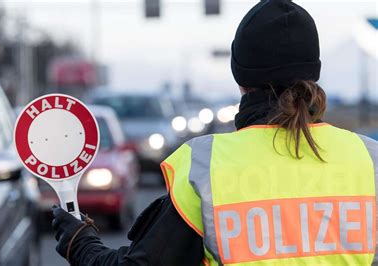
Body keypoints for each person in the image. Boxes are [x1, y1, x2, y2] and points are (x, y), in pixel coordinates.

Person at [52, 0, 378, 265]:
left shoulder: (205, 169)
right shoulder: (369, 160)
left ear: (240, 76)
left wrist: (81, 244)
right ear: (314, 73)